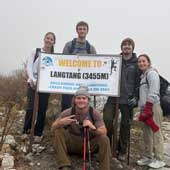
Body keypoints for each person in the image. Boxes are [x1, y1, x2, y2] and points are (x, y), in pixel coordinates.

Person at [52, 85, 111, 170]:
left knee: (104, 139)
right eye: (78, 98)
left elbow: (104, 131)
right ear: (74, 100)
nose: (81, 100)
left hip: (88, 145)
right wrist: (60, 123)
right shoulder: (68, 112)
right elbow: (52, 128)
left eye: (84, 98)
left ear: (88, 100)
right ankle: (64, 164)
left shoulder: (94, 113)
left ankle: (105, 168)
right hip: (72, 144)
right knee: (58, 131)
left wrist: (92, 127)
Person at [103, 38, 140, 161]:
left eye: (129, 45)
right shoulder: (114, 61)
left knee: (125, 125)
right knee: (107, 119)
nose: (127, 47)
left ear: (132, 48)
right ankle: (109, 145)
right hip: (113, 97)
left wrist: (136, 97)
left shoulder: (137, 64)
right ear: (121, 47)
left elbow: (139, 83)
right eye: (124, 45)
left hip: (127, 99)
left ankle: (122, 150)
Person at [23, 32, 56, 143]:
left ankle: (38, 133)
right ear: (44, 39)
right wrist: (32, 79)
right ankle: (26, 130)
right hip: (33, 83)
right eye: (47, 38)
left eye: (51, 39)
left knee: (42, 109)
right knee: (31, 108)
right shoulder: (35, 51)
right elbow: (29, 66)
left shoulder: (54, 56)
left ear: (53, 42)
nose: (49, 41)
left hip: (45, 86)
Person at [136, 54, 165, 169]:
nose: (141, 63)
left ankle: (160, 159)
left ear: (148, 62)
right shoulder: (142, 77)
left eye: (144, 61)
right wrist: (142, 109)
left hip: (153, 106)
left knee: (156, 131)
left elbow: (154, 90)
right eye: (139, 62)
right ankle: (148, 157)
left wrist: (148, 107)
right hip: (145, 108)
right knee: (147, 132)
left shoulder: (152, 73)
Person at [61, 21, 96, 112]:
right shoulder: (69, 45)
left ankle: (81, 125)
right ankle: (65, 125)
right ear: (77, 30)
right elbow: (61, 62)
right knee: (66, 106)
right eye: (80, 29)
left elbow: (96, 67)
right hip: (68, 82)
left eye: (84, 29)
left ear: (87, 31)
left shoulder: (91, 48)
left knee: (83, 108)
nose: (82, 31)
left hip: (84, 84)